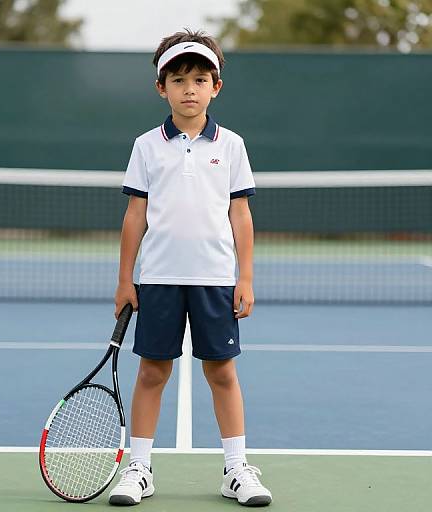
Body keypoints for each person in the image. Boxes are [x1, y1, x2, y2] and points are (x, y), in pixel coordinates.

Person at [109, 29, 272, 507]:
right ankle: (139, 468)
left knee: (222, 372)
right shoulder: (146, 146)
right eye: (178, 79)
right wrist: (124, 280)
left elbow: (240, 214)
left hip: (216, 280)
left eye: (200, 79)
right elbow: (134, 215)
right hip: (158, 279)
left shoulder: (233, 146)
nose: (189, 88)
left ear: (215, 87)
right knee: (152, 373)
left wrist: (245, 277)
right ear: (162, 88)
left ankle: (236, 470)